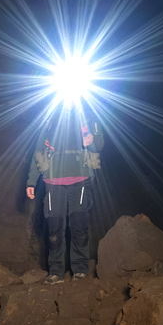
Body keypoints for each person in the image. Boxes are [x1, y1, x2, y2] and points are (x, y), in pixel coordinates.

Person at [26, 117, 104, 282]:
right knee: (54, 229)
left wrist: (90, 139)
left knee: (79, 226)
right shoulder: (49, 119)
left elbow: (99, 144)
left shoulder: (87, 116)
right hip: (53, 181)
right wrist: (31, 181)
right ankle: (56, 272)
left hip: (81, 178)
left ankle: (80, 271)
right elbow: (38, 152)